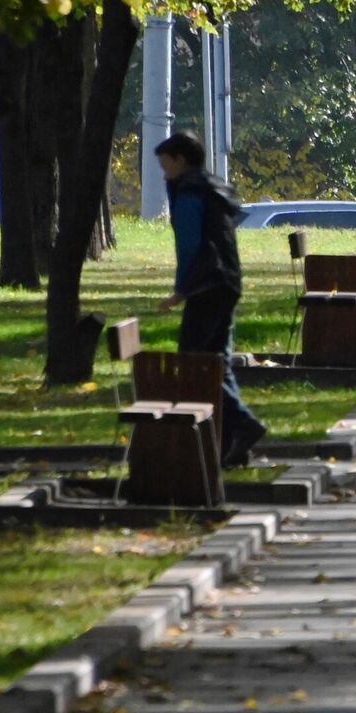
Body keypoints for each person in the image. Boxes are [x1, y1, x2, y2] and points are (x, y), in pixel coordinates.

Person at [153, 132, 268, 468]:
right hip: (227, 281)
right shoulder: (213, 187)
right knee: (217, 360)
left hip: (206, 285)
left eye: (165, 166)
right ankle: (237, 443)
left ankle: (244, 424)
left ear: (180, 160)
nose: (164, 174)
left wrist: (181, 290)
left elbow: (189, 246)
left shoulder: (190, 192)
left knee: (196, 362)